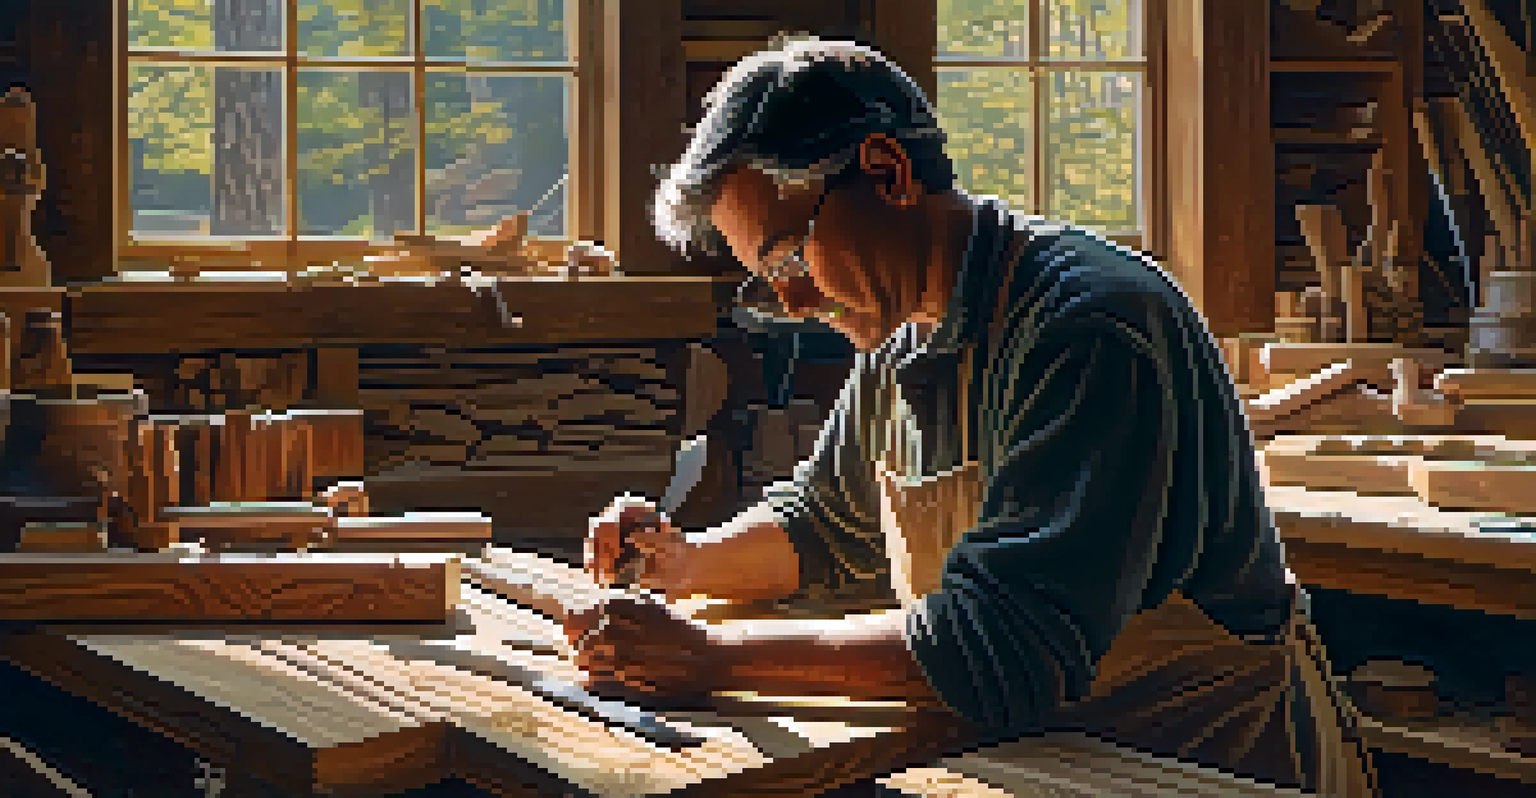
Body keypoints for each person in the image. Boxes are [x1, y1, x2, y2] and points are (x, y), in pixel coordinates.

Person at [569, 35, 1377, 794]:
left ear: (887, 173)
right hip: (1066, 757)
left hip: (1208, 763)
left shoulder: (1088, 327)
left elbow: (1003, 644)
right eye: (765, 279)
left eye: (789, 255)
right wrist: (685, 562)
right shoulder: (897, 334)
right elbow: (823, 527)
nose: (794, 300)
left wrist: (711, 656)